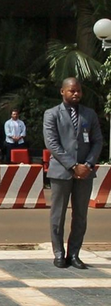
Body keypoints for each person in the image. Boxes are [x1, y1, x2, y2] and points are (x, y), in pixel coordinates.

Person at [43, 77, 102, 270]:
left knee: (81, 216)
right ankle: (59, 253)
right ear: (62, 92)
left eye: (78, 91)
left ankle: (74, 253)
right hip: (61, 172)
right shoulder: (51, 114)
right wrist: (72, 165)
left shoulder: (89, 114)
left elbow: (97, 141)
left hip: (85, 172)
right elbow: (52, 143)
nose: (76, 94)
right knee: (57, 215)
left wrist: (87, 164)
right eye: (72, 91)